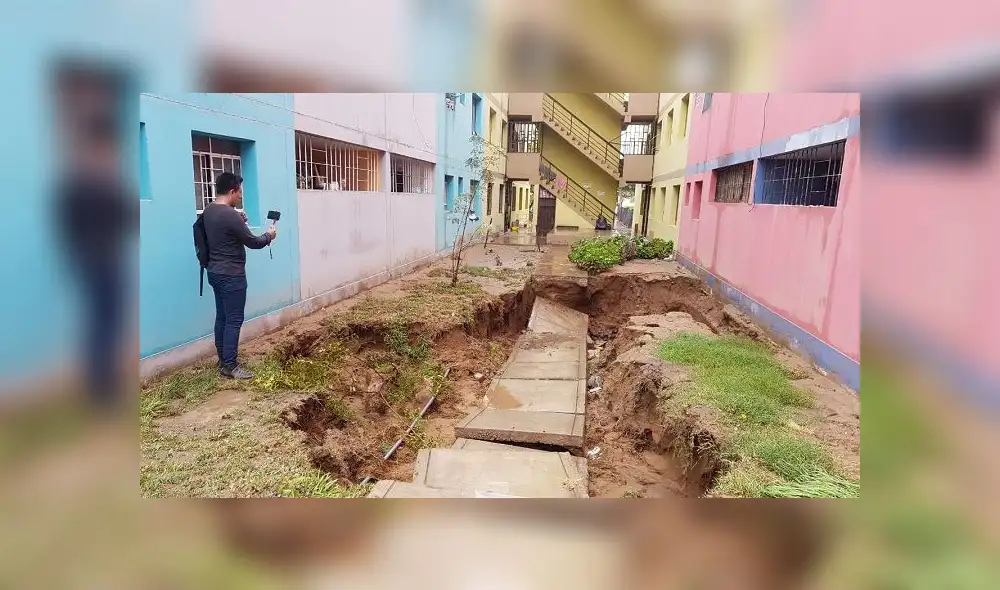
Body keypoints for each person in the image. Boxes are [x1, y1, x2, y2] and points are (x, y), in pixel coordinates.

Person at [203, 173, 276, 379]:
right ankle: (230, 366)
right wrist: (269, 236)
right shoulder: (230, 215)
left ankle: (223, 359)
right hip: (231, 275)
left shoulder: (209, 210)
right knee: (234, 320)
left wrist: (239, 220)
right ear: (232, 191)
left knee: (222, 317)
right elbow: (253, 242)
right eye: (240, 192)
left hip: (214, 272)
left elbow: (223, 232)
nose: (241, 197)